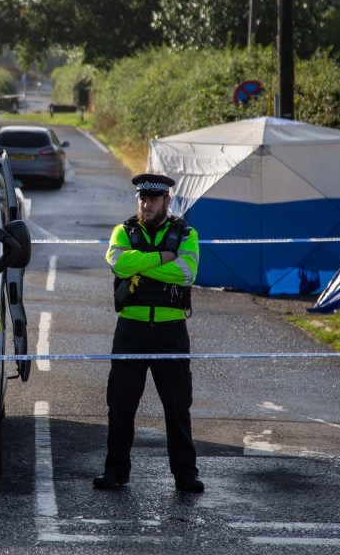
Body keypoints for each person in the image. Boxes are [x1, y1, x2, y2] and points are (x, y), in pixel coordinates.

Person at [93, 173, 204, 493]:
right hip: (131, 329)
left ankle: (186, 475)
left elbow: (185, 272)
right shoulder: (123, 231)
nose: (146, 204)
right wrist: (161, 258)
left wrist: (140, 264)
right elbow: (117, 263)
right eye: (142, 199)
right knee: (121, 406)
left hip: (171, 331)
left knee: (177, 406)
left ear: (167, 201)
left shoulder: (186, 233)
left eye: (153, 200)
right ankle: (115, 472)